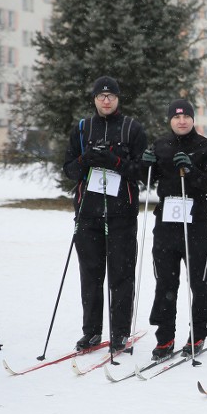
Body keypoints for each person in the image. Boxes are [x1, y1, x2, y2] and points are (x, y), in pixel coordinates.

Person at [63, 76, 148, 354]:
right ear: (95, 99)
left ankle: (120, 332)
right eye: (101, 96)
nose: (106, 100)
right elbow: (68, 170)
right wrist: (86, 159)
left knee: (121, 275)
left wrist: (115, 161)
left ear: (118, 99)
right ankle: (91, 331)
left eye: (111, 96)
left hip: (121, 214)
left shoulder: (132, 128)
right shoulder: (82, 128)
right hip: (88, 214)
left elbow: (143, 172)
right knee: (90, 274)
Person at [147, 99, 207, 360]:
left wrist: (191, 171)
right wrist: (146, 165)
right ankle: (164, 338)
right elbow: (147, 178)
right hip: (166, 223)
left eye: (186, 116)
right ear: (170, 120)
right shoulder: (160, 145)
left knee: (199, 282)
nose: (181, 121)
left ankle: (198, 332)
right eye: (176, 117)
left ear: (193, 119)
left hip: (196, 222)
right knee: (165, 282)